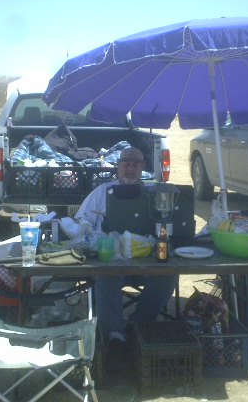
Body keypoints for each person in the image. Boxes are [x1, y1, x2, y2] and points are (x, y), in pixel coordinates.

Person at [75, 146, 178, 365]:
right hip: (112, 260)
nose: (130, 168)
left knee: (168, 274)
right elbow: (80, 222)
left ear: (142, 168)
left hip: (147, 263)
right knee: (105, 274)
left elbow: (170, 225)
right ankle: (115, 337)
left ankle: (139, 327)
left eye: (135, 164)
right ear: (118, 167)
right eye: (125, 164)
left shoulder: (154, 193)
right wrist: (93, 235)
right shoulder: (102, 192)